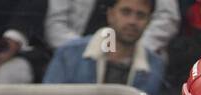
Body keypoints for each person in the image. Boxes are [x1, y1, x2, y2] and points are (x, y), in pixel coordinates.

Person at [47, 0, 182, 57]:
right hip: (79, 54)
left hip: (138, 52)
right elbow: (56, 25)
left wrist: (134, 51)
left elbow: (168, 18)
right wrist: (89, 51)